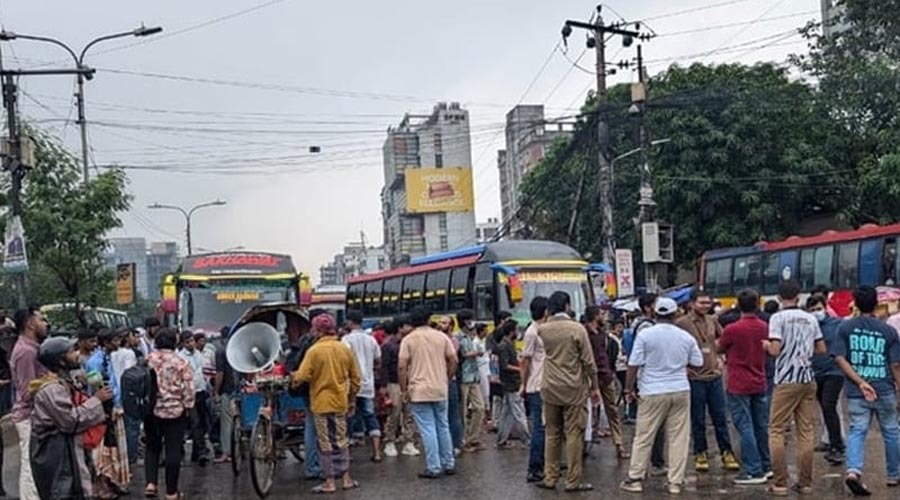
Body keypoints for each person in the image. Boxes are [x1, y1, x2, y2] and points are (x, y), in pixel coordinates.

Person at [620, 297, 704, 495]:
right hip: (680, 389)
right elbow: (698, 362)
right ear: (675, 315)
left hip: (652, 390)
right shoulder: (685, 337)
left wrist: (628, 389)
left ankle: (635, 479)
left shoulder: (645, 335)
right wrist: (682, 366)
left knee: (644, 436)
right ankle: (675, 482)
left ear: (655, 313)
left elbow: (633, 364)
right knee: (678, 437)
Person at [831, 285, 900, 496]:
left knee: (857, 431)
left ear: (856, 304)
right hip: (884, 389)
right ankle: (894, 474)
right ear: (876, 304)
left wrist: (859, 381)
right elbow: (895, 365)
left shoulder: (845, 328)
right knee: (891, 431)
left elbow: (839, 358)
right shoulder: (888, 331)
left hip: (856, 392)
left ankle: (853, 471)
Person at [30, 336, 113, 500]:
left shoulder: (64, 382)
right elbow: (69, 421)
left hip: (67, 449)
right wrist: (96, 400)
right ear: (61, 361)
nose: (77, 354)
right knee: (64, 491)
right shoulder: (52, 389)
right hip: (57, 453)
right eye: (72, 351)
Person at [764, 280, 826, 496]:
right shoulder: (810, 318)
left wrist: (766, 345)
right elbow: (821, 348)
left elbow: (775, 350)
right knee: (806, 430)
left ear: (779, 298)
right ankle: (805, 482)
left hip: (786, 380)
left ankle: (780, 483)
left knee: (776, 429)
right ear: (799, 297)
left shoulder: (777, 318)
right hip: (807, 378)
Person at [537, 291, 600, 493]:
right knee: (574, 433)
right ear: (567, 306)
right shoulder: (577, 329)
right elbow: (588, 362)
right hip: (573, 387)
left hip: (549, 386)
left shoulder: (543, 329)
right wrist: (595, 387)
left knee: (552, 433)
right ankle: (572, 481)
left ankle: (550, 477)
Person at [292, 313, 362, 494]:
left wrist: (293, 378)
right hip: (340, 402)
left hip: (321, 403)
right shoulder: (344, 349)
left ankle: (329, 481)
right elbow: (356, 379)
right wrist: (352, 399)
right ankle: (346, 478)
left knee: (325, 442)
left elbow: (302, 376)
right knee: (341, 440)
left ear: (317, 331)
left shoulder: (314, 351)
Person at [676, 290, 739, 473]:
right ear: (691, 304)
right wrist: (683, 367)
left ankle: (726, 452)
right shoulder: (682, 324)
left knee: (720, 418)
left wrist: (721, 358)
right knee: (698, 419)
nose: (705, 306)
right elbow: (675, 347)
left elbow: (723, 340)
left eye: (708, 303)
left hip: (714, 377)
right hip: (695, 378)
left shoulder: (712, 320)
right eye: (701, 303)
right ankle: (700, 453)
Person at [717, 288, 772, 485]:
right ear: (757, 304)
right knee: (760, 425)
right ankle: (766, 465)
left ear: (738, 305)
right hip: (760, 379)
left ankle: (753, 469)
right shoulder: (765, 326)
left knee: (744, 425)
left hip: (738, 382)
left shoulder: (732, 329)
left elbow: (719, 347)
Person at [399, 306, 458, 479]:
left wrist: (404, 389)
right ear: (428, 319)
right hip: (440, 387)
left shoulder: (408, 340)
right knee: (443, 425)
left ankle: (433, 466)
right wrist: (447, 377)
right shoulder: (441, 337)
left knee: (427, 428)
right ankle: (448, 463)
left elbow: (402, 366)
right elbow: (453, 359)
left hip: (418, 390)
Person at [144, 328, 196, 500]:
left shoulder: (148, 360)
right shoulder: (181, 362)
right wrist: (187, 406)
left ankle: (151, 484)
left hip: (151, 411)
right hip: (175, 411)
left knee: (152, 447)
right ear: (175, 342)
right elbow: (189, 389)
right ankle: (171, 492)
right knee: (173, 450)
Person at [84, 329, 129, 499]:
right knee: (102, 450)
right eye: (115, 340)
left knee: (113, 447)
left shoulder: (107, 357)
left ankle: (111, 480)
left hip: (113, 406)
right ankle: (100, 486)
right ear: (106, 342)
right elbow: (97, 389)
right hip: (103, 410)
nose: (118, 343)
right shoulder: (95, 362)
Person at [11, 307, 50, 500]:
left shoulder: (33, 348)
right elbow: (27, 391)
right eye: (41, 320)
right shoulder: (26, 352)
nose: (46, 324)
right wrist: (51, 381)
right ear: (30, 324)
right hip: (28, 416)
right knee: (29, 465)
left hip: (35, 415)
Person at [585, 306, 628, 459]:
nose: (605, 317)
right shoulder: (584, 333)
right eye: (602, 314)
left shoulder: (603, 334)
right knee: (588, 411)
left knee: (612, 410)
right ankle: (586, 442)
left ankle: (619, 444)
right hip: (590, 377)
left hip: (605, 375)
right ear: (595, 316)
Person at [808, 295, 846, 466]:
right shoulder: (808, 325)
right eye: (812, 310)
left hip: (834, 371)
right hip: (816, 372)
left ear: (825, 308)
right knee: (825, 408)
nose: (816, 312)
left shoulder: (837, 324)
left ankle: (837, 446)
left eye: (818, 308)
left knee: (829, 405)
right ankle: (832, 442)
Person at [342, 311, 383, 462]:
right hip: (368, 385)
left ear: (350, 322)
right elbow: (378, 361)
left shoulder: (346, 340)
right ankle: (377, 452)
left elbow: (344, 362)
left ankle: (347, 454)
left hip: (351, 386)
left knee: (348, 418)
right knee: (370, 417)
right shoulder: (371, 339)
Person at [381, 316, 420, 457]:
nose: (411, 328)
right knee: (395, 413)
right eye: (407, 326)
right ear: (400, 328)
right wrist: (383, 386)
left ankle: (409, 442)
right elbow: (384, 367)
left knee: (409, 413)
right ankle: (389, 441)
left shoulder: (410, 344)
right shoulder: (389, 346)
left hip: (410, 382)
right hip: (394, 383)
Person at [520, 296, 548, 483]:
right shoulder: (532, 332)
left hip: (545, 383)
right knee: (539, 427)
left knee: (547, 427)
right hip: (536, 385)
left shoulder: (544, 330)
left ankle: (545, 463)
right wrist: (523, 385)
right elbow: (525, 361)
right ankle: (535, 467)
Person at [494, 320, 530, 448]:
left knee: (507, 413)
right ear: (511, 331)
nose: (518, 332)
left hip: (510, 382)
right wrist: (520, 369)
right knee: (519, 412)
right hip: (511, 383)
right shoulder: (504, 346)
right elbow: (505, 365)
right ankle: (527, 439)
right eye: (516, 329)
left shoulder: (508, 344)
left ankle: (501, 439)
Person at [179, 331, 211, 466]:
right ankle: (200, 452)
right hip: (188, 393)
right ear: (183, 343)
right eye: (187, 342)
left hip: (200, 391)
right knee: (194, 422)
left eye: (192, 341)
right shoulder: (180, 357)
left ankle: (197, 452)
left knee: (202, 422)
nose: (191, 344)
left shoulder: (198, 354)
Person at [456, 309, 486, 452]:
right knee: (462, 411)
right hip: (463, 377)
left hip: (473, 377)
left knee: (480, 408)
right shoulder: (458, 337)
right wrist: (475, 353)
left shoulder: (471, 336)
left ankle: (472, 438)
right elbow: (461, 355)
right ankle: (462, 440)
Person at [436, 315, 464, 455]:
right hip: (437, 381)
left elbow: (453, 361)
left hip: (449, 381)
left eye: (445, 323)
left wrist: (448, 378)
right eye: (440, 322)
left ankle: (456, 445)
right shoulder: (436, 339)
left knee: (452, 414)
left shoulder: (452, 341)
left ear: (451, 326)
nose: (441, 325)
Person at [212, 326, 239, 466]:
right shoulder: (239, 347)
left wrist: (216, 391)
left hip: (227, 391)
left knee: (226, 422)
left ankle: (226, 453)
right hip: (240, 389)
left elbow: (220, 373)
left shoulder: (221, 351)